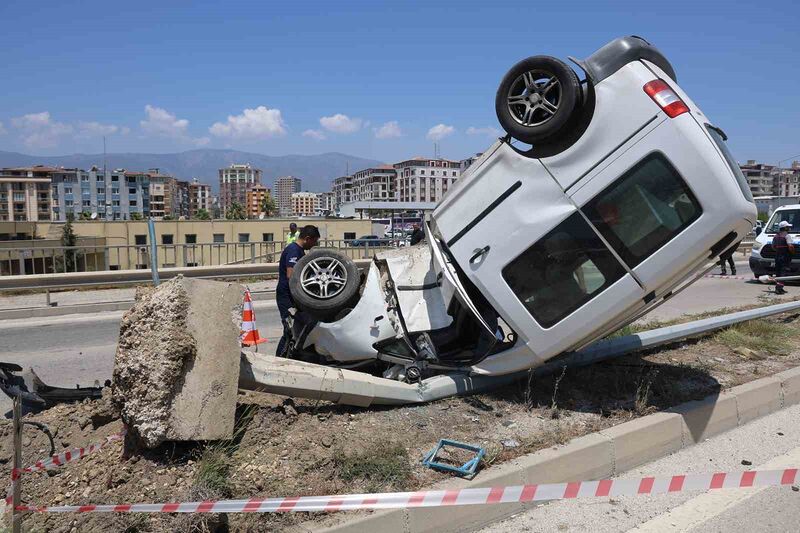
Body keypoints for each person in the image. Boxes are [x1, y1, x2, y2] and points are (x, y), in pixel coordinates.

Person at [276, 225, 320, 355]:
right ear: (307, 238)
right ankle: (279, 358)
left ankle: (293, 355)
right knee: (289, 329)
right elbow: (291, 274)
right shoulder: (294, 250)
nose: (315, 244)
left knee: (297, 328)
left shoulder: (299, 251)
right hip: (286, 295)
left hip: (292, 295)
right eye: (314, 241)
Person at [772, 220, 794, 295]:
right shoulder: (787, 236)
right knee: (783, 273)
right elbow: (790, 246)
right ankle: (779, 288)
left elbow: (773, 247)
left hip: (777, 256)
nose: (789, 228)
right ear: (785, 228)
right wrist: (792, 252)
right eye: (788, 227)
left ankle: (779, 288)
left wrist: (779, 250)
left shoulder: (776, 236)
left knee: (778, 273)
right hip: (785, 257)